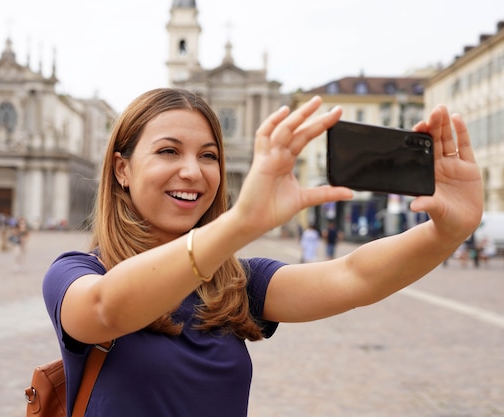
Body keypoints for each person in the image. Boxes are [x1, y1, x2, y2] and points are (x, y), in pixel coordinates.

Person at [42, 88, 483, 417]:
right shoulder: (77, 274)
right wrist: (240, 223)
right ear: (122, 169)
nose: (192, 171)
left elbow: (357, 275)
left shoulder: (236, 284)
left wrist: (448, 231)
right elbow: (106, 309)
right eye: (168, 151)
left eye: (209, 155)